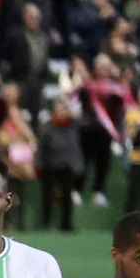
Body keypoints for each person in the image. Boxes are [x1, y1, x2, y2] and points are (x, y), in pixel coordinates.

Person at [37, 99, 85, 232]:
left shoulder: (74, 126)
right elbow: (41, 149)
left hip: (67, 167)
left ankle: (66, 224)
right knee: (47, 196)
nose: (62, 112)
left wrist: (78, 164)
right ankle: (45, 223)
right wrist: (39, 165)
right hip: (50, 165)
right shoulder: (47, 128)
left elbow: (77, 147)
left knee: (67, 196)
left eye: (64, 109)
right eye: (59, 109)